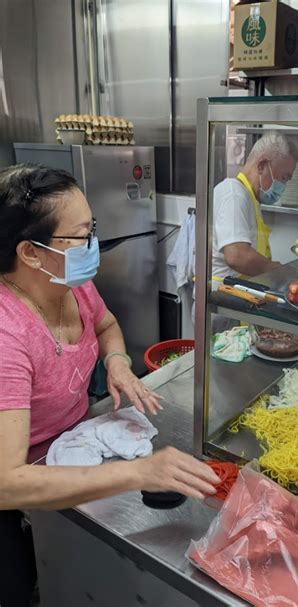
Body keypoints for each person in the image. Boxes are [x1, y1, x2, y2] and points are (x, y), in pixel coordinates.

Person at [0, 164, 219, 606]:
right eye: (81, 235)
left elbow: (107, 326)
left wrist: (117, 363)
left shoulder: (71, 285)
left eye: (92, 228)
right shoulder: (7, 334)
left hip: (74, 446)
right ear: (30, 252)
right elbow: (6, 484)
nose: (93, 244)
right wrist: (139, 471)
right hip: (24, 493)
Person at [212, 133, 298, 280]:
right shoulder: (234, 194)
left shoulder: (250, 198)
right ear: (261, 166)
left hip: (240, 292)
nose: (283, 186)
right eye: (284, 177)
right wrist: (281, 272)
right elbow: (236, 256)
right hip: (222, 296)